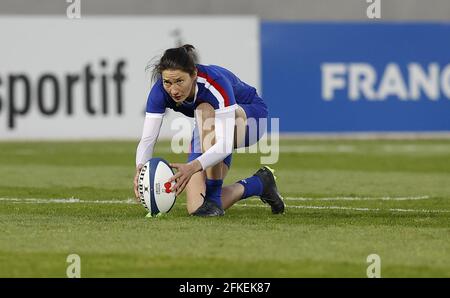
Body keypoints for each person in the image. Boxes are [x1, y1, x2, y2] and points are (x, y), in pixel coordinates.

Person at [133, 44, 284, 217]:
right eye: (168, 82)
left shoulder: (214, 83)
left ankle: (213, 197)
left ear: (194, 74)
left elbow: (225, 144)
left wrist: (193, 167)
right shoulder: (160, 91)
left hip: (251, 118)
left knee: (203, 109)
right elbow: (147, 140)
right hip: (209, 125)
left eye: (180, 81)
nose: (173, 90)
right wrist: (140, 170)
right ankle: (259, 183)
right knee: (197, 208)